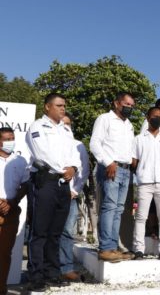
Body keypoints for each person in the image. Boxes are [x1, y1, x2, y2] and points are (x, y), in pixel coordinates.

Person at [25, 93, 81, 291]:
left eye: (64, 105)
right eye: (59, 105)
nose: (62, 108)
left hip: (63, 184)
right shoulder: (37, 127)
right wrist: (63, 169)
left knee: (55, 232)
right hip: (46, 181)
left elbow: (74, 153)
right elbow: (42, 153)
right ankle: (36, 276)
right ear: (47, 107)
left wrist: (73, 167)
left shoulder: (65, 129)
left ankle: (52, 273)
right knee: (39, 231)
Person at [90, 91, 136, 262]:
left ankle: (113, 247)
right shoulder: (105, 119)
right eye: (126, 104)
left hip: (125, 170)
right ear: (117, 103)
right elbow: (95, 143)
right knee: (109, 207)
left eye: (132, 105)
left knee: (118, 209)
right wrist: (108, 162)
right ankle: (105, 248)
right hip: (111, 167)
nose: (129, 107)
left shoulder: (129, 124)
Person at [132, 107, 160, 260]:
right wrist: (142, 172)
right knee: (141, 217)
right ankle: (138, 250)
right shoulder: (139, 139)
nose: (157, 118)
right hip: (145, 183)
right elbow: (134, 161)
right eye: (154, 116)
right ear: (147, 117)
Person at [59, 114, 90, 281]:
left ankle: (66, 268)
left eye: (68, 124)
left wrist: (75, 190)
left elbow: (84, 171)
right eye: (61, 124)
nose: (65, 127)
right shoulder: (48, 144)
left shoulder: (78, 145)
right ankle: (46, 269)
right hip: (50, 194)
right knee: (47, 232)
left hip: (70, 196)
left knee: (67, 232)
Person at [0, 127, 29, 295]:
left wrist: (12, 201)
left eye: (12, 138)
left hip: (11, 211)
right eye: (6, 139)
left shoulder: (20, 161)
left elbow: (25, 184)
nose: (10, 142)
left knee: (4, 253)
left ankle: (2, 288)